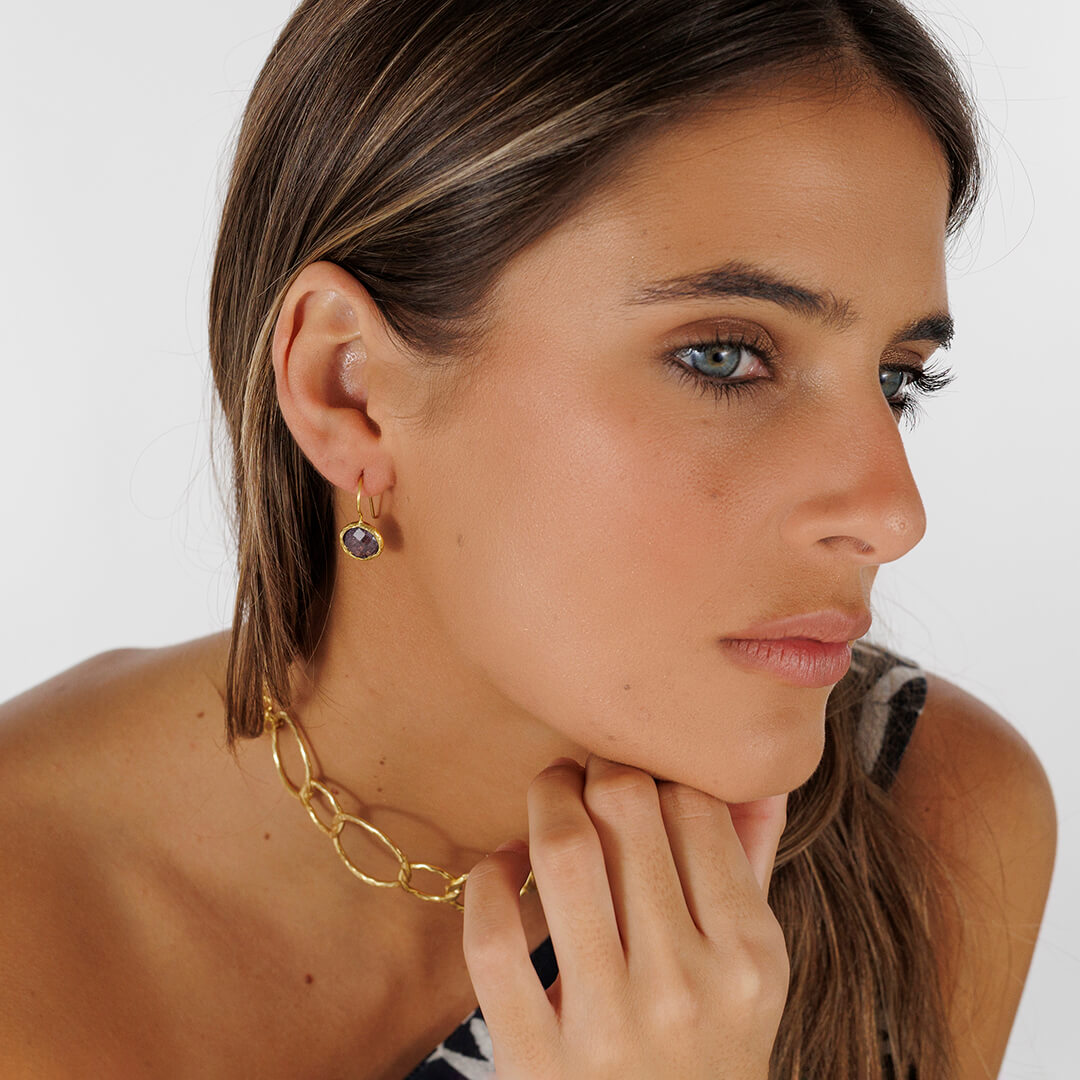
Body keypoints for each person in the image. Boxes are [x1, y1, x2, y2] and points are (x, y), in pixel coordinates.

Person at [0, 0, 1058, 1076]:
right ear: (347, 390)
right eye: (724, 358)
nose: (893, 513)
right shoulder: (27, 922)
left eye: (897, 380)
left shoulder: (935, 817)